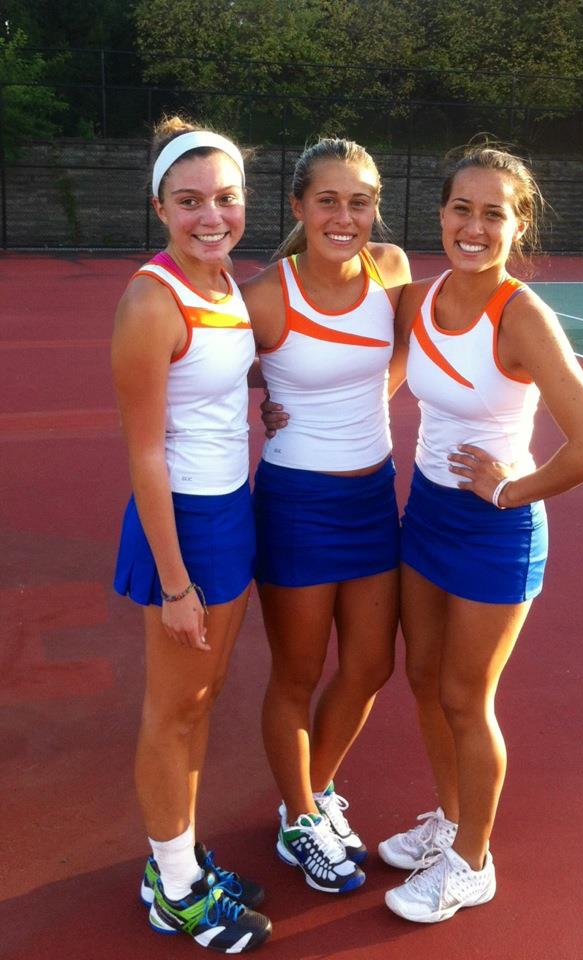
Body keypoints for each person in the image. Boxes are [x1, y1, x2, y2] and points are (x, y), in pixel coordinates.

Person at [379, 142, 583, 923]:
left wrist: (512, 488)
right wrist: (293, 413)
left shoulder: (521, 316)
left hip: (495, 529)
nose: (473, 226)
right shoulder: (416, 300)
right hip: (427, 514)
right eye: (460, 209)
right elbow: (351, 355)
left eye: (493, 214)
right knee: (419, 678)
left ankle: (471, 864)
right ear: (440, 214)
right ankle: (448, 823)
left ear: (518, 227)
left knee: (462, 695)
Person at [111, 116, 271, 952]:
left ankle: (180, 859)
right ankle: (173, 886)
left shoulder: (222, 278)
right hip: (182, 526)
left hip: (229, 508)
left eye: (225, 198)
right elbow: (144, 455)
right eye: (189, 202)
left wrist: (261, 395)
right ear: (160, 206)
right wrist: (174, 584)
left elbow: (213, 376)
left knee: (201, 701)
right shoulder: (151, 297)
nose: (211, 215)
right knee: (172, 710)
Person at [241, 138, 411, 894]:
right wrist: (265, 394)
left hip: (372, 494)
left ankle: (310, 795)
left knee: (371, 664)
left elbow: (403, 349)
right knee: (297, 673)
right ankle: (303, 819)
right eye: (328, 201)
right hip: (297, 505)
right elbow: (220, 361)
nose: (345, 216)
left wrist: (376, 399)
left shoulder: (393, 268)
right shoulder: (264, 295)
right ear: (299, 207)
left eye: (359, 201)